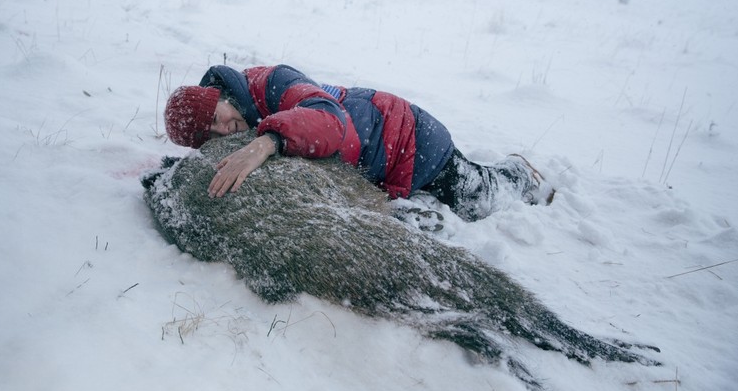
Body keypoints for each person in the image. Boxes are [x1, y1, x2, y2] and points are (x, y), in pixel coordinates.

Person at [162, 64, 554, 222]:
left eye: (216, 118)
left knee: (479, 200)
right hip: (379, 163)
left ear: (218, 95)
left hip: (407, 139)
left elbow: (331, 122)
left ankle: (518, 174)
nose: (223, 130)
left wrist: (266, 143)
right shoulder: (245, 112)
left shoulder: (273, 81)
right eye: (210, 135)